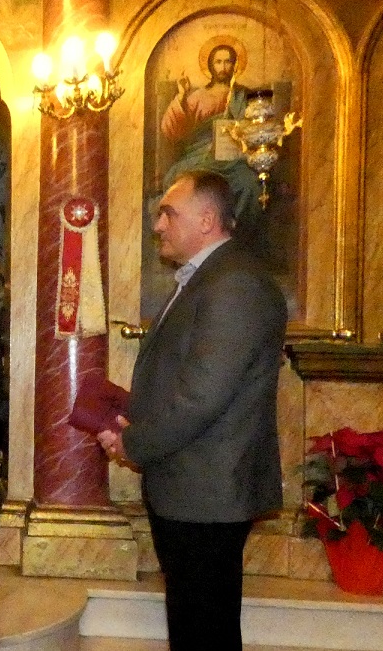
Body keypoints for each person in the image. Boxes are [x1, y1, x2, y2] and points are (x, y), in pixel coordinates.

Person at [97, 169, 287, 651]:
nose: (158, 225)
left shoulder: (234, 283)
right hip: (192, 484)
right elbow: (184, 377)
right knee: (193, 624)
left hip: (208, 489)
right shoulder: (210, 278)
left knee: (204, 629)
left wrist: (134, 442)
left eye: (168, 213)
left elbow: (203, 396)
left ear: (206, 220)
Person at [159, 42, 261, 229]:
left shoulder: (244, 96)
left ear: (235, 65)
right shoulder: (197, 97)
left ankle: (238, 234)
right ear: (210, 66)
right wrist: (181, 96)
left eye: (228, 62)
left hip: (234, 159)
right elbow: (171, 130)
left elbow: (256, 128)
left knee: (251, 183)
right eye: (218, 62)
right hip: (201, 157)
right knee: (183, 183)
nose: (223, 67)